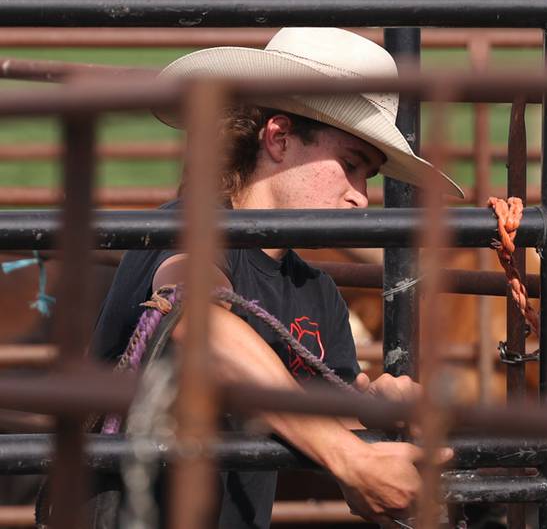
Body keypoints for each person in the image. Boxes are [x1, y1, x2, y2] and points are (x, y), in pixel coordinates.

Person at [90, 27, 463, 528]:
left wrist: (377, 417)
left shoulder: (317, 294)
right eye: (350, 166)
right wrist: (351, 459)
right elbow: (195, 319)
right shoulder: (185, 225)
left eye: (368, 178)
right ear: (280, 137)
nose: (360, 197)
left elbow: (336, 438)